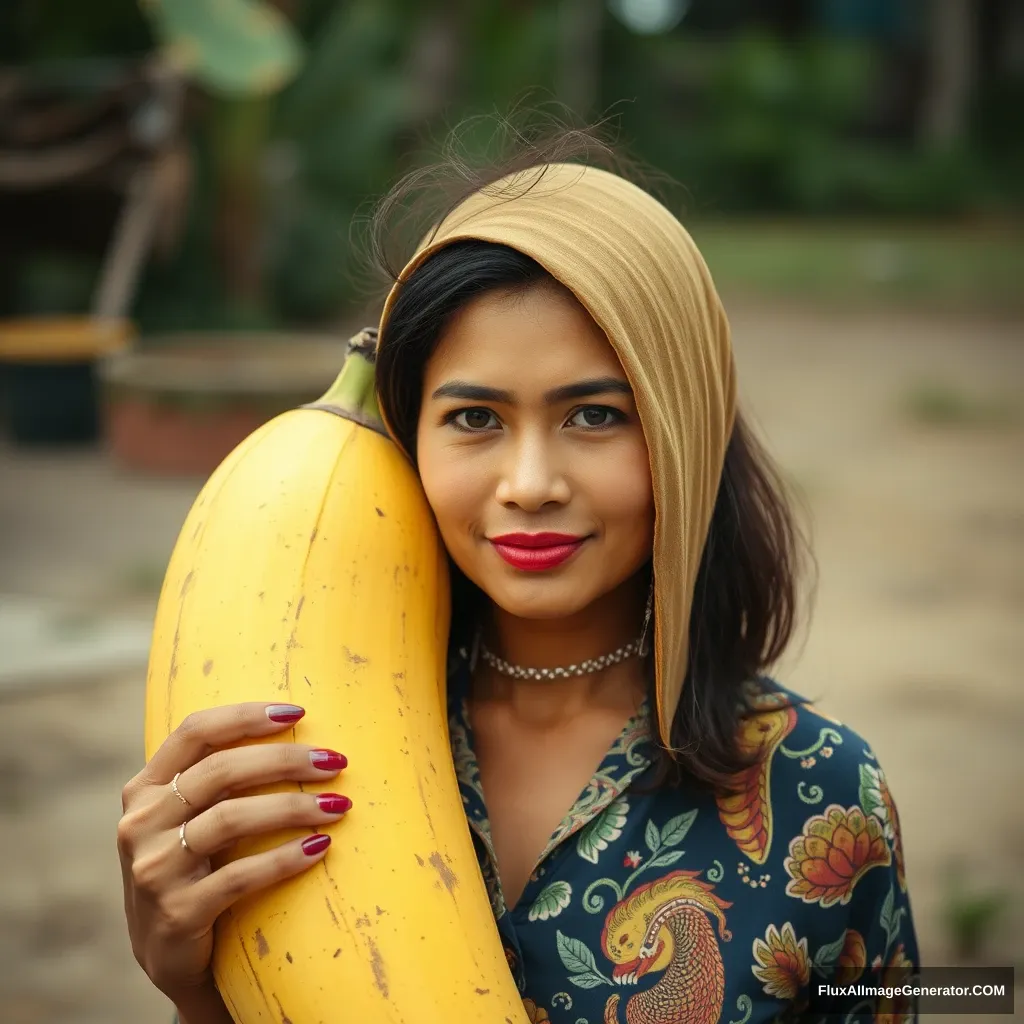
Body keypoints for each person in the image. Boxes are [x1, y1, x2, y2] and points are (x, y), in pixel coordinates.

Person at [118, 125, 918, 1024]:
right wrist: (197, 991)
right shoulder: (300, 762)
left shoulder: (822, 791)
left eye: (593, 416)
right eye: (473, 419)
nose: (530, 485)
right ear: (408, 433)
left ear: (683, 437)